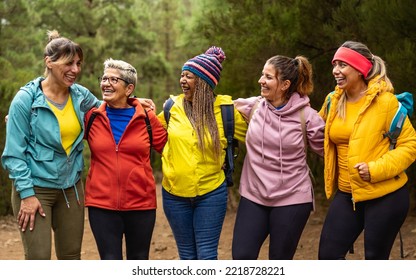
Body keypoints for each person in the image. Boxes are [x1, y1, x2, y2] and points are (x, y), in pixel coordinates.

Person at [1, 30, 101, 260]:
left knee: (71, 257)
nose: (75, 70)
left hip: (71, 188)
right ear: (49, 62)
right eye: (69, 63)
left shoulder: (80, 95)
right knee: (38, 259)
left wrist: (134, 101)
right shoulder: (26, 100)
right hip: (35, 189)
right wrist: (27, 195)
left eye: (78, 63)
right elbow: (14, 155)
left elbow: (107, 110)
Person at [318, 41, 416, 260]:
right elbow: (312, 129)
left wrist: (374, 169)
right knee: (327, 256)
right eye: (335, 64)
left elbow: (410, 146)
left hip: (385, 195)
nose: (335, 70)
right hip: (347, 194)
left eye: (342, 65)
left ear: (360, 69)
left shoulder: (386, 102)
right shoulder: (333, 101)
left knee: (374, 260)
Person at [157, 46, 247, 260]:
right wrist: (135, 104)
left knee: (206, 255)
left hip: (211, 193)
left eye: (188, 76)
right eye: (182, 75)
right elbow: (147, 132)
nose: (182, 80)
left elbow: (261, 132)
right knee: (187, 256)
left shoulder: (226, 111)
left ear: (204, 82)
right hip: (174, 194)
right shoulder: (172, 107)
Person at [231, 55, 325, 260]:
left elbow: (330, 150)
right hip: (254, 195)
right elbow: (217, 109)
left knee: (279, 261)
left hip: (292, 197)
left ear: (285, 84)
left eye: (268, 77)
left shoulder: (307, 117)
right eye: (262, 75)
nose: (260, 80)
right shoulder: (253, 107)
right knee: (241, 257)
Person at [84, 58, 167, 260]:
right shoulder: (91, 117)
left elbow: (172, 149)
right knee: (110, 260)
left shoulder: (147, 118)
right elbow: (59, 124)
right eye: (104, 78)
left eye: (114, 80)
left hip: (141, 204)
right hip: (101, 205)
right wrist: (20, 119)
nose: (106, 83)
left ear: (129, 88)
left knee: (138, 260)